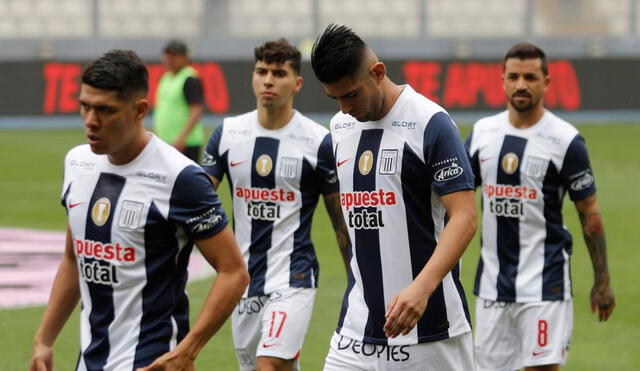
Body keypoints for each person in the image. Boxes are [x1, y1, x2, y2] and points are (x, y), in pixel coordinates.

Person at [29, 50, 249, 371]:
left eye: (105, 110)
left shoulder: (181, 179)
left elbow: (234, 272)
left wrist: (188, 351)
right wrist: (44, 340)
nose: (91, 120)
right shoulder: (76, 163)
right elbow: (74, 257)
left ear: (139, 110)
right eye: (85, 106)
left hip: (151, 359)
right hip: (91, 360)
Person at [311, 24, 477, 371]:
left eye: (351, 95)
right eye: (335, 98)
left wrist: (421, 288)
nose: (343, 108)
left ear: (378, 73)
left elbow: (464, 217)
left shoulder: (431, 123)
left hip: (431, 328)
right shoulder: (339, 130)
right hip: (357, 330)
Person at [201, 38, 350, 371]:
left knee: (268, 365)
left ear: (297, 83)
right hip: (242, 280)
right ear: (253, 77)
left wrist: (359, 285)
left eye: (279, 73)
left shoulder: (318, 141)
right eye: (262, 71)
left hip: (294, 275)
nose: (268, 80)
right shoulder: (227, 134)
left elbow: (340, 222)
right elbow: (197, 204)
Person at [465, 43, 616, 371]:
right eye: (514, 76)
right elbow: (456, 200)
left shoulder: (566, 140)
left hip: (545, 285)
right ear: (502, 80)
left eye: (530, 77)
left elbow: (591, 217)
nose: (521, 84)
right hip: (491, 287)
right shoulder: (481, 133)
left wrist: (602, 281)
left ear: (547, 82)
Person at [154, 40, 206, 162]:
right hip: (166, 142)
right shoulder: (166, 78)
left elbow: (196, 110)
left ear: (185, 58)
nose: (169, 59)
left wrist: (182, 138)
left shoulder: (189, 78)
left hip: (185, 143)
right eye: (167, 56)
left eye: (174, 56)